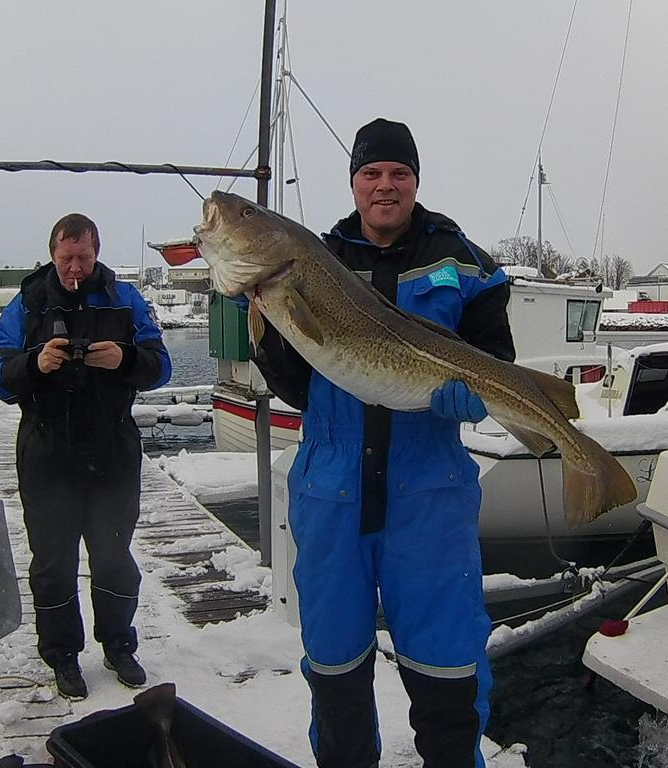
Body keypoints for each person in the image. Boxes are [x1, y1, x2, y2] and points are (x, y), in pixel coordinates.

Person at [254, 118, 515, 768]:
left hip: (428, 505)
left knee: (449, 684)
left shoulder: (468, 264)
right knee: (336, 681)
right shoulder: (315, 261)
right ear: (354, 183)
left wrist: (471, 394)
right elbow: (297, 388)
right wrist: (264, 327)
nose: (385, 185)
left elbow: (497, 364)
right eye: (371, 173)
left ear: (416, 180)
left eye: (398, 172)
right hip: (331, 498)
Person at [0, 213, 172, 700]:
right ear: (52, 253)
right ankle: (63, 656)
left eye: (84, 258)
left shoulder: (124, 299)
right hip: (47, 450)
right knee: (53, 562)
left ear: (97, 253)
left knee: (113, 556)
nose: (75, 267)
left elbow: (161, 368)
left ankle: (117, 645)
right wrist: (36, 363)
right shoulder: (26, 304)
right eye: (66, 257)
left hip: (111, 446)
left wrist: (125, 359)